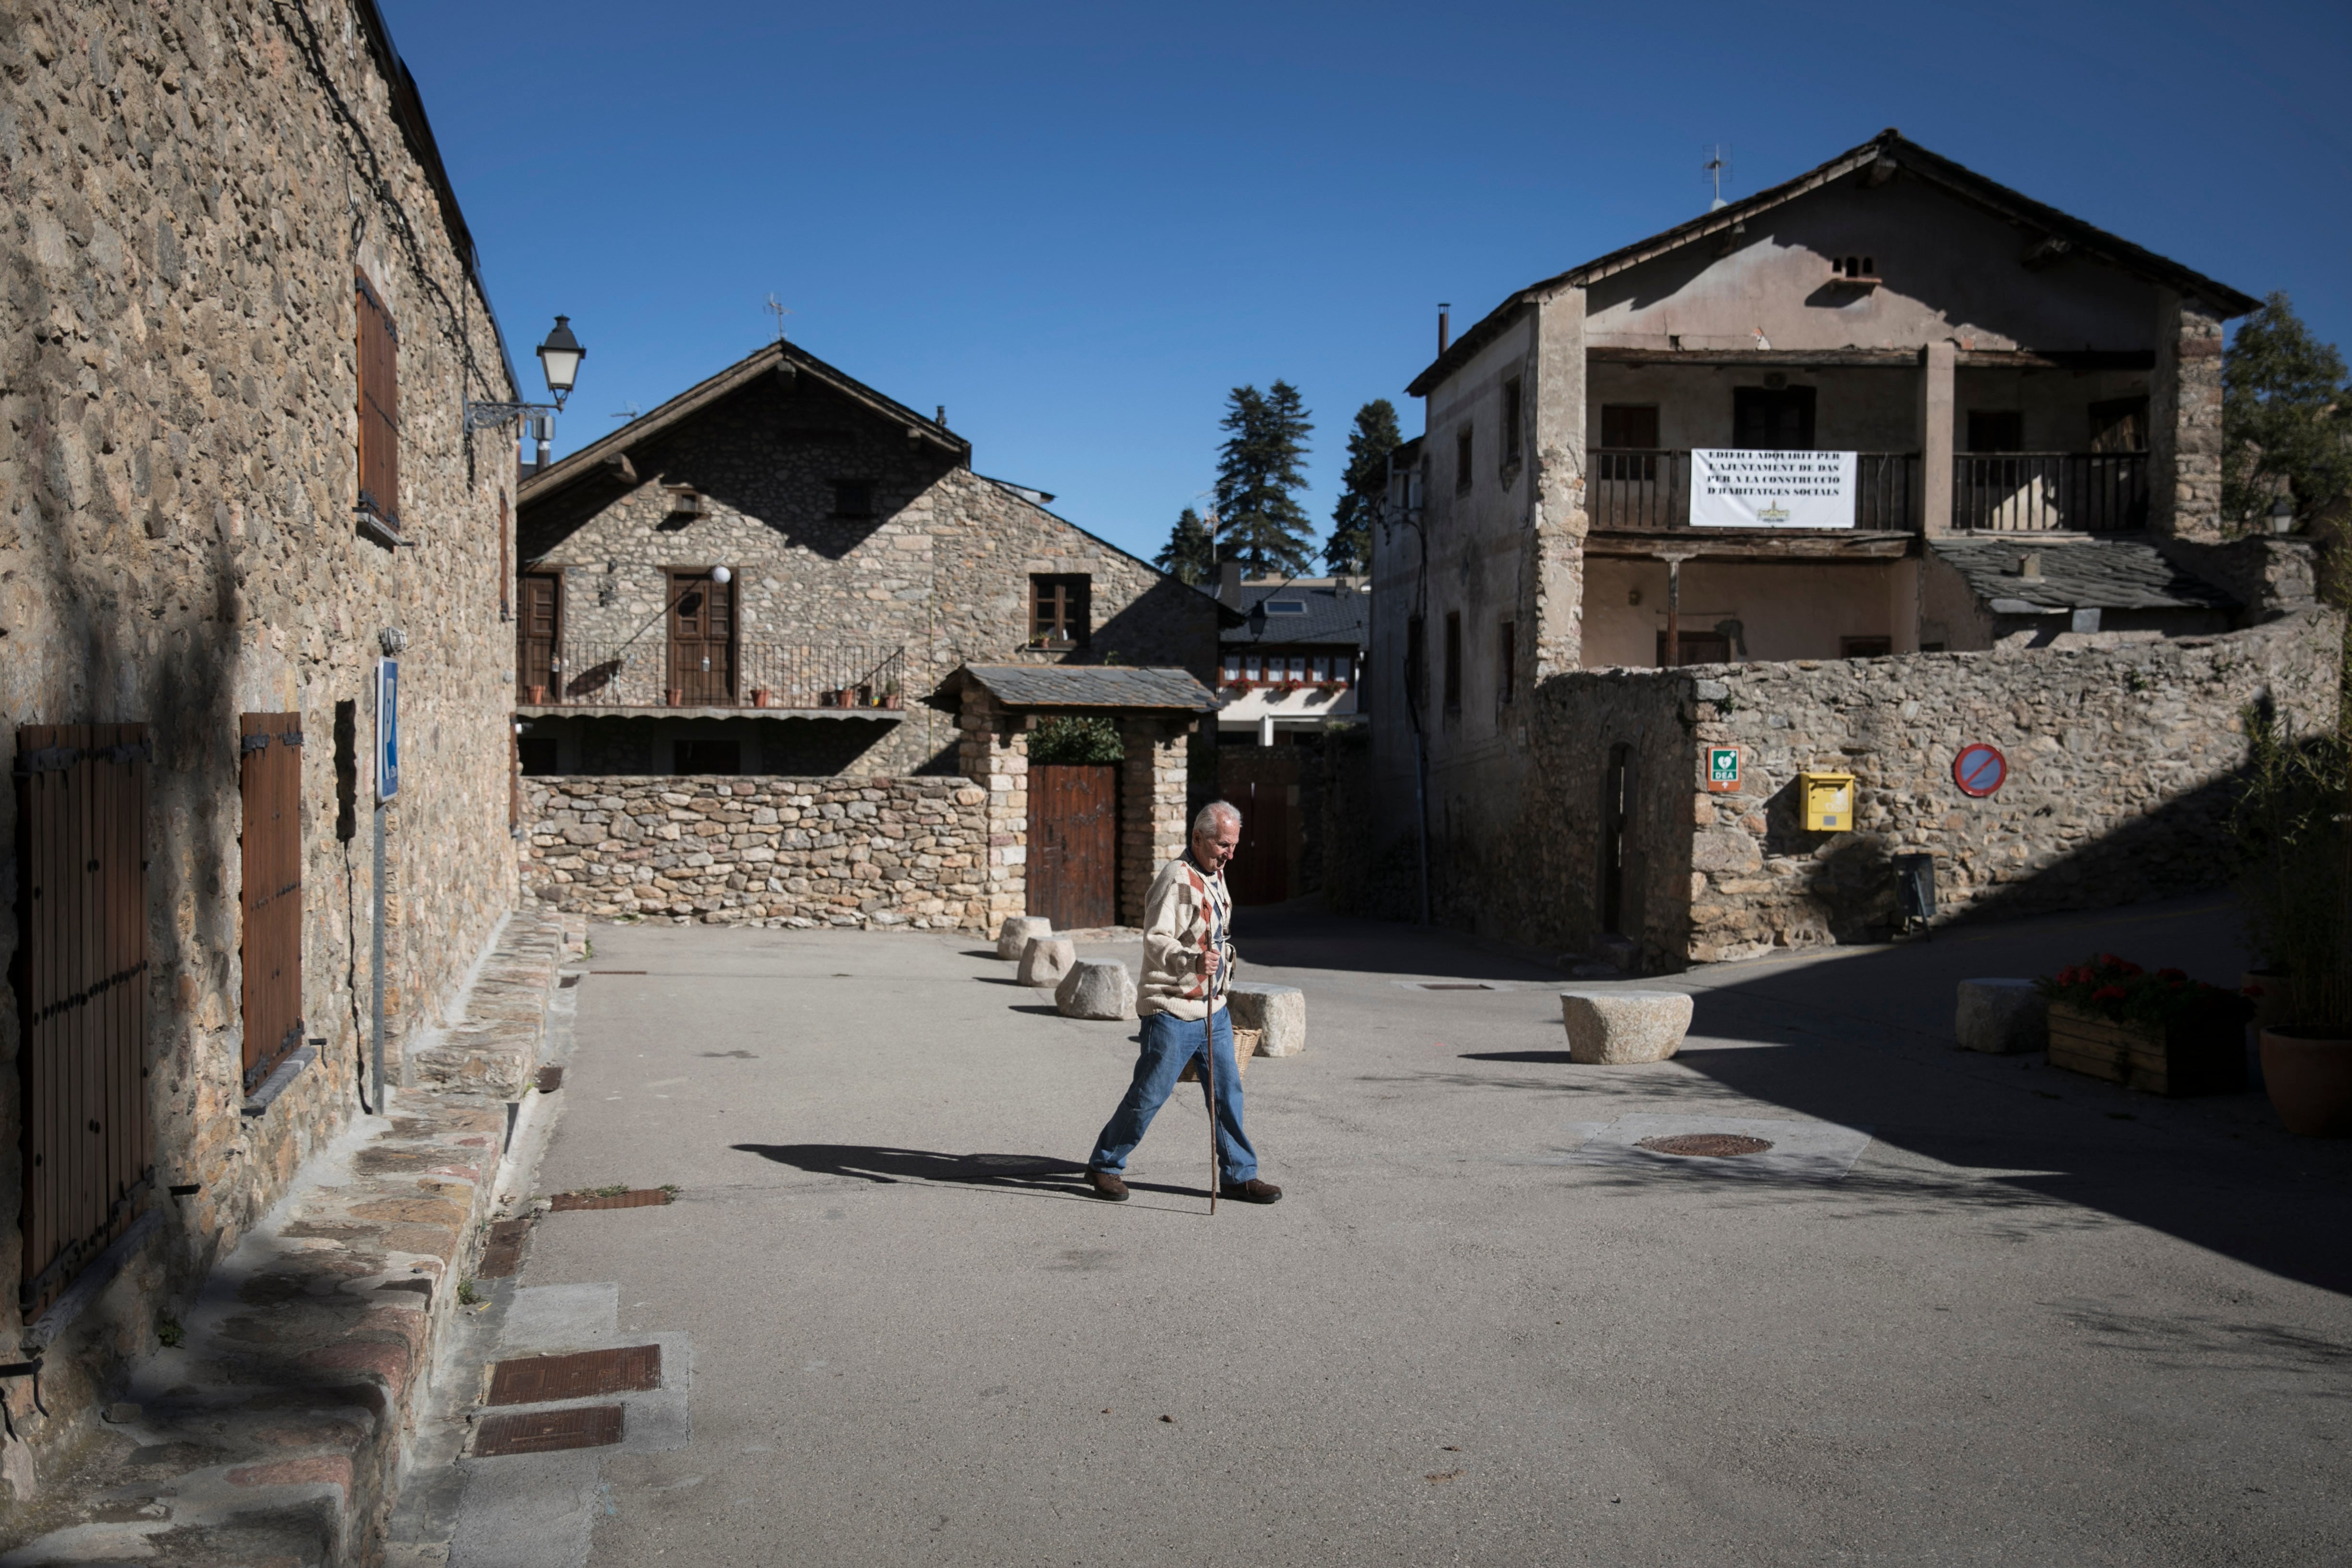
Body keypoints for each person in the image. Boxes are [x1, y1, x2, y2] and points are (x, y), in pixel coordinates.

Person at [1084, 801, 1282, 1204]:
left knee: (1228, 1094)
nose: (1230, 853)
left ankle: (1239, 1175)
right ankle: (1105, 1164)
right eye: (1223, 845)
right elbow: (1156, 938)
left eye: (1234, 845)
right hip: (1172, 1008)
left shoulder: (1217, 875)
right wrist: (1190, 961)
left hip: (1213, 1008)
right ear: (1197, 837)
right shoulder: (1175, 878)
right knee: (1149, 1095)